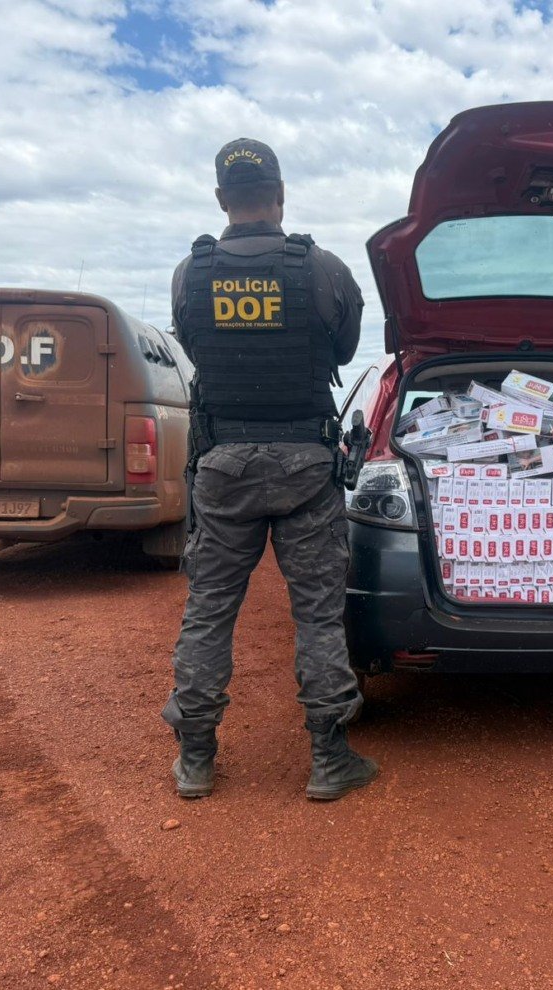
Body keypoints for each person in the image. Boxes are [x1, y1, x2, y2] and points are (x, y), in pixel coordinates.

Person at [162, 138, 377, 802]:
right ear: (280, 197)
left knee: (209, 611)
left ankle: (196, 757)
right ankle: (328, 757)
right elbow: (344, 344)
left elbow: (193, 343)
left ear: (223, 200)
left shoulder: (189, 274)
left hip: (223, 464)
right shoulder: (321, 268)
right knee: (317, 613)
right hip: (307, 466)